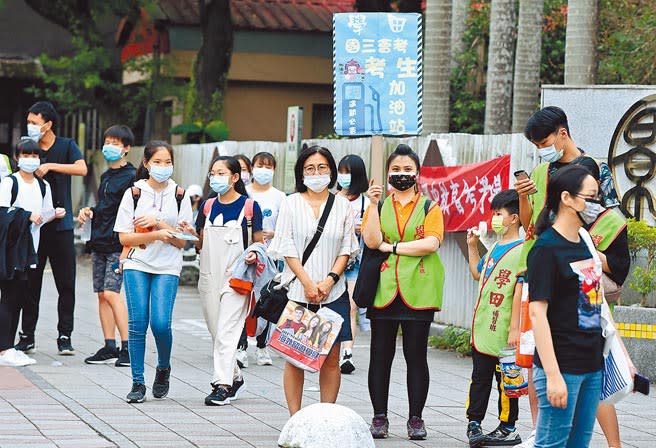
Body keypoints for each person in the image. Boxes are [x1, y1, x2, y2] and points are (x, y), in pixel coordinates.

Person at [267, 145, 359, 416]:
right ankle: (295, 418)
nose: (316, 173)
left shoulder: (342, 205)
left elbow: (347, 248)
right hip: (298, 290)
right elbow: (286, 247)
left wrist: (329, 280)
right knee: (294, 356)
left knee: (331, 358)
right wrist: (308, 283)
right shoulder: (291, 203)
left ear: (331, 171)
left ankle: (325, 417)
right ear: (301, 173)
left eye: (321, 168)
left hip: (334, 291)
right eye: (310, 168)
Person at [362, 144, 444, 441]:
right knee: (379, 356)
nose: (401, 175)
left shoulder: (429, 207)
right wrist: (371, 205)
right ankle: (379, 417)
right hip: (383, 289)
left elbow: (432, 243)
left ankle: (416, 419)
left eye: (407, 170)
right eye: (396, 170)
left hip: (419, 290)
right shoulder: (380, 205)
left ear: (418, 174)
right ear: (387, 174)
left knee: (416, 357)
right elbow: (371, 241)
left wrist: (393, 247)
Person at [527, 164, 605, 448]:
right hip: (562, 365)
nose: (598, 204)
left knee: (578, 444)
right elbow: (537, 313)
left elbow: (594, 303)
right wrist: (552, 375)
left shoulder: (584, 242)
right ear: (567, 198)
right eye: (592, 197)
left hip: (591, 363)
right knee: (552, 444)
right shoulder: (546, 249)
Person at [113, 141, 193, 403]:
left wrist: (160, 226)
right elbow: (124, 238)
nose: (162, 167)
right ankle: (138, 382)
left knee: (160, 323)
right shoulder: (134, 193)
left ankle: (163, 367)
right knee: (137, 325)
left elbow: (182, 241)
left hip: (168, 266)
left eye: (167, 162)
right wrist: (158, 234)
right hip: (137, 263)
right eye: (157, 162)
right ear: (146, 164)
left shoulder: (180, 194)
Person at [187, 155, 264, 406]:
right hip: (209, 276)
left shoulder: (250, 207)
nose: (216, 177)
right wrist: (188, 234)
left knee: (227, 332)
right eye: (213, 173)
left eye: (221, 173)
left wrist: (254, 254)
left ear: (234, 177)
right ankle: (235, 376)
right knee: (215, 330)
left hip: (237, 278)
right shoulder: (207, 207)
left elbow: (259, 243)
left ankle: (221, 385)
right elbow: (200, 242)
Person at [16, 101, 87, 355]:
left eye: (35, 122)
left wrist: (51, 166)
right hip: (34, 228)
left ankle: (65, 335)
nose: (30, 126)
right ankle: (27, 336)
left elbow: (82, 168)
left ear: (48, 125)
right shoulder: (29, 149)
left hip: (61, 228)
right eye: (29, 122)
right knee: (30, 284)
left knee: (66, 284)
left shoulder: (66, 146)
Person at [465, 189, 524, 447]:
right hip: (484, 328)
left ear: (514, 218)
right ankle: (474, 423)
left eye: (498, 213)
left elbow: (521, 292)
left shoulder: (523, 250)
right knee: (479, 377)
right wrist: (471, 246)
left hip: (505, 331)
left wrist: (515, 328)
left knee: (507, 380)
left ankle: (508, 427)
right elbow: (477, 273)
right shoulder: (495, 247)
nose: (494, 218)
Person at [78, 125, 136, 367]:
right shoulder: (105, 176)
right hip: (99, 241)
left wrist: (127, 248)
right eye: (107, 141)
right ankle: (109, 345)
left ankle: (128, 348)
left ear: (126, 148)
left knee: (112, 294)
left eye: (116, 142)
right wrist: (89, 211)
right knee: (102, 295)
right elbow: (104, 207)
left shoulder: (133, 177)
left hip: (117, 243)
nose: (109, 146)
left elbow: (131, 212)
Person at [0, 139, 62, 364]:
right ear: (17, 157)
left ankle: (8, 346)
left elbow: (41, 217)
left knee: (18, 297)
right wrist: (26, 215)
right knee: (8, 297)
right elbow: (2, 212)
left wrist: (53, 213)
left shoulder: (43, 185)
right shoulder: (9, 183)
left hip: (29, 249)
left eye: (34, 156)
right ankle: (4, 349)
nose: (31, 160)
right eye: (26, 155)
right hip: (10, 249)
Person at [238, 151, 286, 367]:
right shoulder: (244, 194)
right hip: (246, 256)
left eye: (268, 166)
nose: (263, 170)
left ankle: (262, 346)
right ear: (252, 168)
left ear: (274, 170)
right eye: (259, 165)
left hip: (272, 258)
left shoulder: (280, 197)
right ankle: (240, 347)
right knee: (243, 301)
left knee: (268, 301)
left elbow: (286, 229)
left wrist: (272, 235)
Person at [335, 154, 371, 375]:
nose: (344, 176)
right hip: (332, 259)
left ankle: (347, 352)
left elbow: (376, 233)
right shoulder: (333, 199)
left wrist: (362, 229)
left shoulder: (366, 203)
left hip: (356, 260)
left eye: (348, 172)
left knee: (351, 306)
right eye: (341, 171)